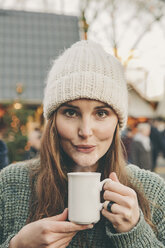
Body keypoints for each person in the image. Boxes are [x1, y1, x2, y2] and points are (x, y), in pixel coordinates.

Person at [0, 40, 164, 248]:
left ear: (117, 122)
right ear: (53, 120)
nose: (85, 131)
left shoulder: (152, 192)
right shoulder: (10, 185)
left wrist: (135, 233)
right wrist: (17, 245)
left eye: (101, 113)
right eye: (71, 112)